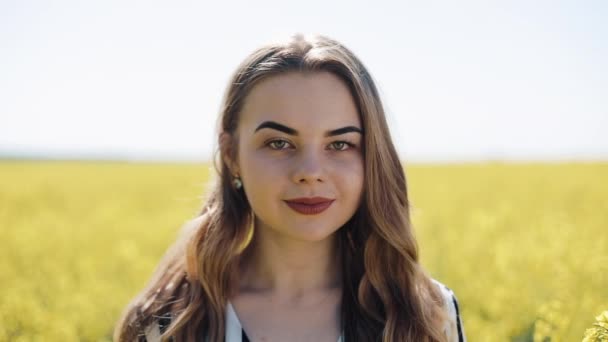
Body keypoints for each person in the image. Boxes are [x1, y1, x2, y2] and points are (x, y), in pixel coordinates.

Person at [114, 33, 466, 342]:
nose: (310, 172)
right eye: (279, 143)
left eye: (340, 144)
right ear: (231, 154)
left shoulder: (429, 317)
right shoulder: (167, 323)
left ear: (371, 158)